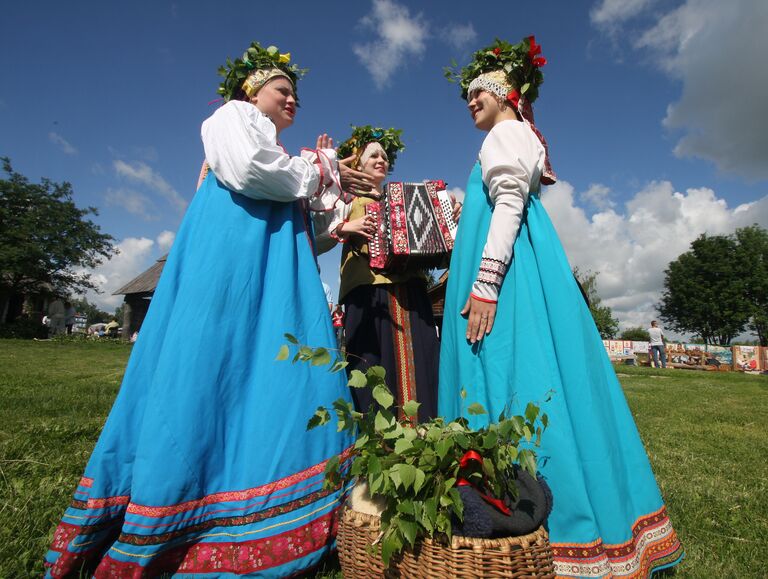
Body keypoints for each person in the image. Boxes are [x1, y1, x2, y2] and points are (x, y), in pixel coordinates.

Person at [44, 42, 373, 577]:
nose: (292, 100)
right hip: (231, 263)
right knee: (212, 367)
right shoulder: (232, 118)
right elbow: (253, 172)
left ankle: (276, 507)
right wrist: (321, 166)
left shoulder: (274, 149)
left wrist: (332, 211)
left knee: (274, 376)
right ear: (251, 90)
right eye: (281, 89)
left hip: (270, 271)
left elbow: (297, 231)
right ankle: (191, 508)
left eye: (296, 94)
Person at [439, 38, 683, 577]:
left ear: (505, 93)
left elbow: (507, 203)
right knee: (535, 374)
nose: (469, 101)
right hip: (519, 268)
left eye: (476, 90)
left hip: (512, 279)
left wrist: (485, 284)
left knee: (516, 375)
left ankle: (542, 520)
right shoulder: (512, 134)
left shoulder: (506, 131)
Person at [315, 126, 459, 423]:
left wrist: (449, 216)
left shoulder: (404, 198)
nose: (381, 159)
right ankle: (377, 446)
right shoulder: (344, 199)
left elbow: (439, 238)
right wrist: (344, 227)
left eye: (384, 156)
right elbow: (315, 237)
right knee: (372, 366)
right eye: (373, 156)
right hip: (369, 293)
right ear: (357, 164)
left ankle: (424, 438)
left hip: (411, 292)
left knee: (423, 362)